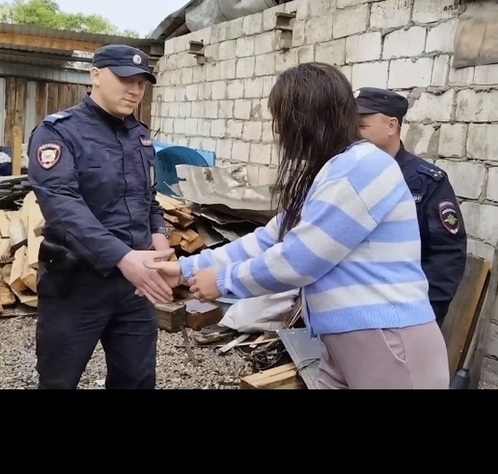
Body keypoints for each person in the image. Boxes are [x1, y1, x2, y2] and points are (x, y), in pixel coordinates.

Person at [147, 62, 450, 389]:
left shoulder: (361, 168)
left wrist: (223, 280)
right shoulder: (333, 171)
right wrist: (185, 269)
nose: (278, 131)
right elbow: (268, 239)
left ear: (309, 120)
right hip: (348, 341)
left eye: (283, 119)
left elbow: (299, 260)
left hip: (388, 344)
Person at [27, 44, 175, 390]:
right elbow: (62, 206)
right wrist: (122, 257)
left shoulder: (139, 136)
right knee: (59, 381)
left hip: (134, 287)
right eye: (125, 79)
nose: (134, 89)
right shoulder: (59, 132)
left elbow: (147, 198)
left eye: (141, 82)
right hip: (75, 283)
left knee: (136, 380)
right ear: (95, 75)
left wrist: (159, 237)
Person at [355, 87, 468, 328]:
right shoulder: (350, 174)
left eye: (362, 126)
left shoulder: (426, 181)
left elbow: (447, 254)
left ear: (392, 126)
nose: (354, 133)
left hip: (406, 315)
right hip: (357, 312)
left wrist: (425, 314)